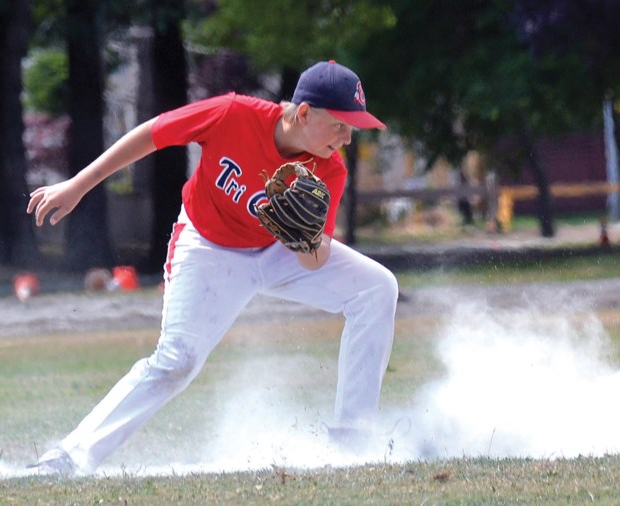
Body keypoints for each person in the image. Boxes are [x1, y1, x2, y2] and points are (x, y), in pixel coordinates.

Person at [26, 60, 398, 475]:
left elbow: (315, 260)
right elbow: (153, 133)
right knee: (177, 360)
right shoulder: (233, 113)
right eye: (341, 125)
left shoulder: (329, 168)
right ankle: (69, 457)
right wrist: (77, 185)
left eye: (353, 127)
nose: (348, 137)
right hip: (209, 246)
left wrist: (304, 236)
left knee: (378, 287)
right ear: (306, 112)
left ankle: (352, 442)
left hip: (277, 251)